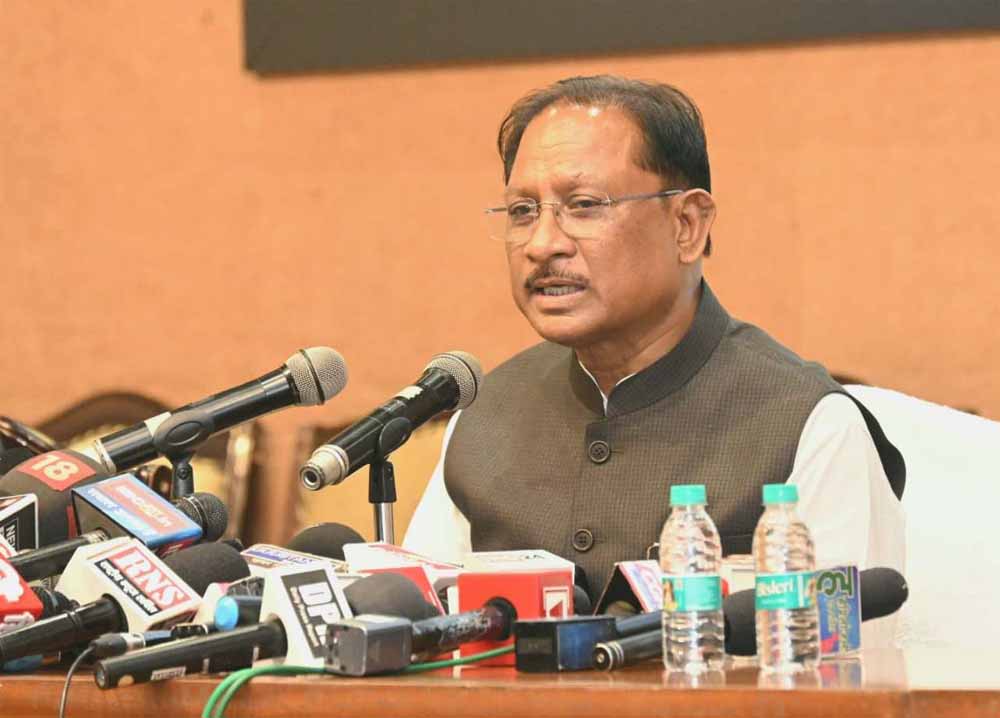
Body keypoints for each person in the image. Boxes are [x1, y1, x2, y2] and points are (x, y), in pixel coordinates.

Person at [404, 76, 905, 633]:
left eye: (584, 205)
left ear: (687, 225)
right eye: (523, 210)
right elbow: (426, 639)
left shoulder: (809, 423)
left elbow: (852, 662)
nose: (542, 244)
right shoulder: (484, 416)